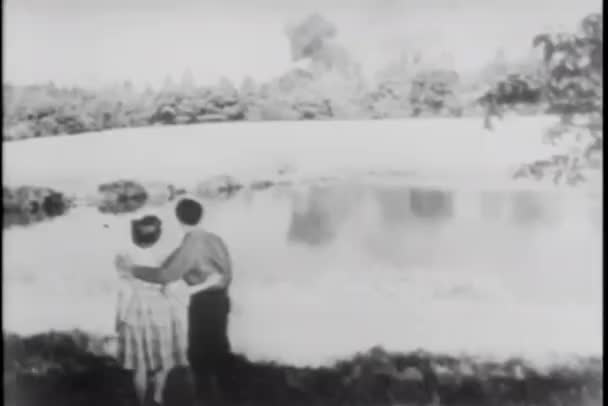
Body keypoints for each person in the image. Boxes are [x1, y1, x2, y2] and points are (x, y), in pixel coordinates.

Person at [118, 198, 234, 405]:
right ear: (201, 215)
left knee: (199, 356)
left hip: (204, 304)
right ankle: (226, 396)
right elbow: (225, 272)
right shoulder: (214, 239)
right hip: (222, 300)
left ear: (179, 219)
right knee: (220, 350)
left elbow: (166, 275)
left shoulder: (191, 243)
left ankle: (206, 399)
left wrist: (133, 269)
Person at [114, 214, 189, 406]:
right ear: (158, 235)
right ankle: (158, 395)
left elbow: (123, 292)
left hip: (135, 310)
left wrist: (118, 320)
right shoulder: (164, 256)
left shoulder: (124, 257)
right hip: (161, 309)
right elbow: (171, 287)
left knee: (139, 365)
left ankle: (141, 402)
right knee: (163, 358)